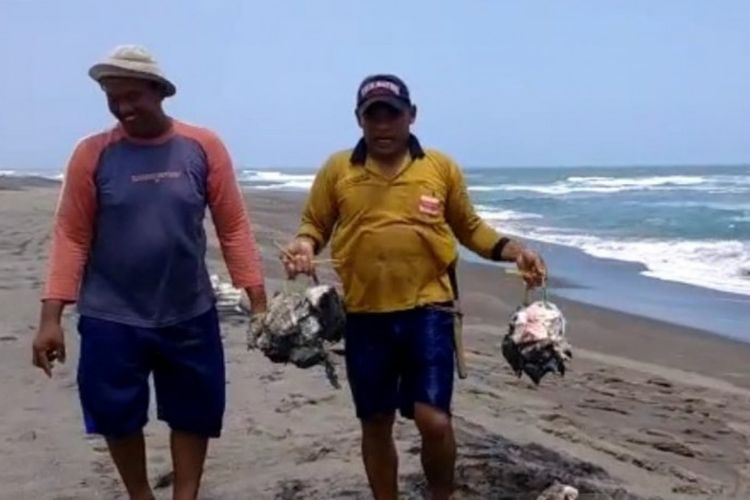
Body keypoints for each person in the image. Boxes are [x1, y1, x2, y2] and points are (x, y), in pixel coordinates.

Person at [281, 74, 547, 500]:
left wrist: (515, 250)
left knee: (434, 420)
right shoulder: (338, 169)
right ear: (359, 120)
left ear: (411, 116)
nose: (383, 125)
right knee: (375, 420)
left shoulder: (439, 167)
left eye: (393, 114)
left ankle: (440, 494)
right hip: (365, 316)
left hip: (429, 311)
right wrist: (301, 246)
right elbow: (314, 226)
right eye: (373, 115)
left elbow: (470, 228)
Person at [31, 45, 268, 500]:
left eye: (132, 96)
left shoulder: (202, 146)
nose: (123, 107)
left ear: (159, 92)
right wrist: (50, 318)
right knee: (115, 414)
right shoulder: (92, 154)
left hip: (189, 310)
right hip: (111, 315)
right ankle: (140, 494)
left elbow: (233, 226)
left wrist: (257, 301)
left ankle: (186, 494)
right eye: (112, 97)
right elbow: (71, 236)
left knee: (194, 413)